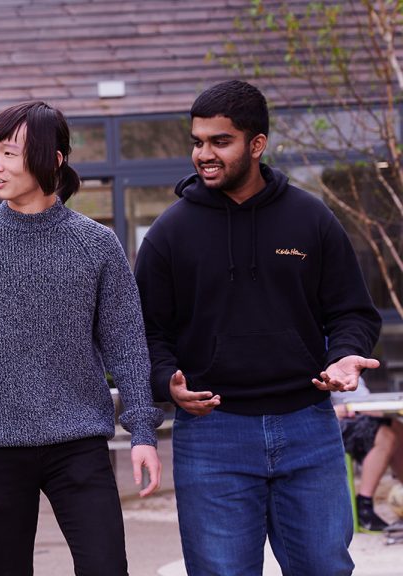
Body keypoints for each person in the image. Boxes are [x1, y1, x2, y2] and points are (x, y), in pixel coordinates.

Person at [134, 80, 383, 575]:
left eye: (219, 142)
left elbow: (353, 312)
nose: (204, 154)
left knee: (325, 569)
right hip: (212, 434)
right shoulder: (170, 233)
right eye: (197, 141)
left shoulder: (311, 218)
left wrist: (346, 354)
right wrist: (166, 383)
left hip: (308, 425)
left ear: (256, 144)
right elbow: (145, 333)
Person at [0, 101, 163, 576]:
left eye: (8, 153)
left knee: (108, 568)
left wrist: (142, 430)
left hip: (79, 443)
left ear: (54, 159)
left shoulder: (96, 244)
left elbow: (126, 344)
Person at [333, 380, 403, 532]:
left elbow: (363, 401)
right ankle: (363, 506)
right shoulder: (318, 363)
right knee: (387, 435)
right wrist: (333, 410)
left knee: (397, 426)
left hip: (352, 417)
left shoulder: (349, 362)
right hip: (326, 424)